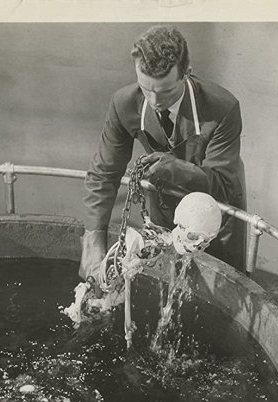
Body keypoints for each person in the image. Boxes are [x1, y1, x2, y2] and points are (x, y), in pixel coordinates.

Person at [80, 25, 246, 280]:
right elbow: (104, 174)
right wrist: (93, 239)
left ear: (186, 74)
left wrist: (175, 168)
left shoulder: (222, 107)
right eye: (146, 89)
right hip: (164, 202)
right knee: (165, 282)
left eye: (166, 91)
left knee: (220, 292)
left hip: (216, 209)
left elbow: (223, 185)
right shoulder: (123, 103)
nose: (155, 101)